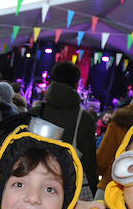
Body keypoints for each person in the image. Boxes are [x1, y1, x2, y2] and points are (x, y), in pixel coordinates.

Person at [30, 60, 97, 199]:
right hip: (67, 189)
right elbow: (89, 162)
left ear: (52, 79)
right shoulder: (84, 119)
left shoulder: (36, 112)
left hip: (32, 183)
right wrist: (92, 188)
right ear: (76, 83)